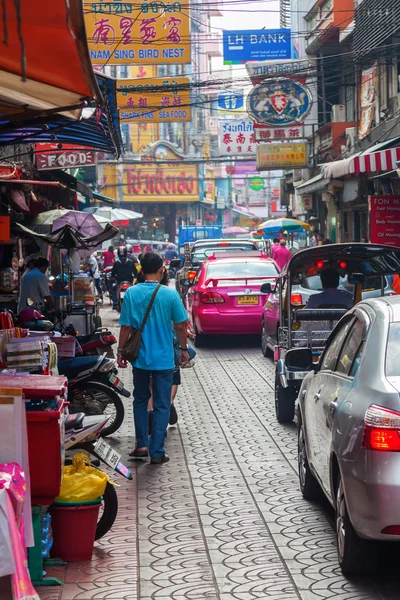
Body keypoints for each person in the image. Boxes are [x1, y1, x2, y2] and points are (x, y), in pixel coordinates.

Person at [117, 252, 189, 464]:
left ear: (140, 270)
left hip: (139, 359)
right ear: (161, 269)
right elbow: (181, 325)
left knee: (140, 400)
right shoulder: (170, 294)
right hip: (165, 359)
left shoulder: (131, 293)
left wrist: (120, 352)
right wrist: (184, 349)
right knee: (161, 404)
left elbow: (125, 327)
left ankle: (141, 445)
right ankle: (157, 452)